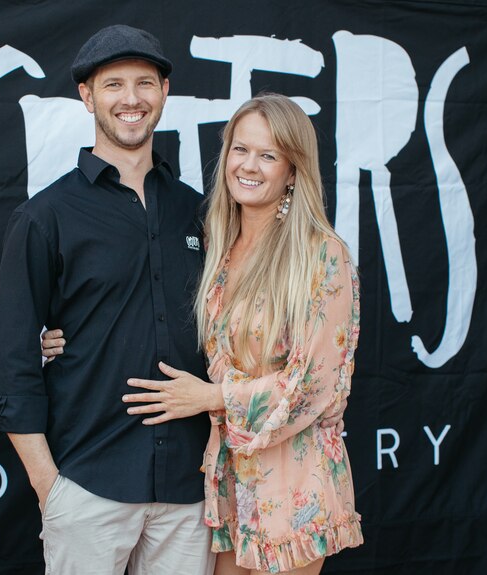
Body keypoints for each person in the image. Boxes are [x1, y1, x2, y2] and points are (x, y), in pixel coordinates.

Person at [0, 24, 215, 574]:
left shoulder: (200, 213)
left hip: (189, 485)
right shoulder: (47, 216)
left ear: (163, 93)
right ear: (87, 96)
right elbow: (10, 361)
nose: (130, 99)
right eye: (113, 85)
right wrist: (49, 486)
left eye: (144, 83)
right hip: (89, 482)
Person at [104, 94, 363, 574]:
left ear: (293, 170)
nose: (249, 165)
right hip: (229, 481)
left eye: (268, 155)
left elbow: (314, 386)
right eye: (240, 150)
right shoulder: (214, 243)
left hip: (293, 480)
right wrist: (57, 337)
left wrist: (210, 397)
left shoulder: (321, 255)